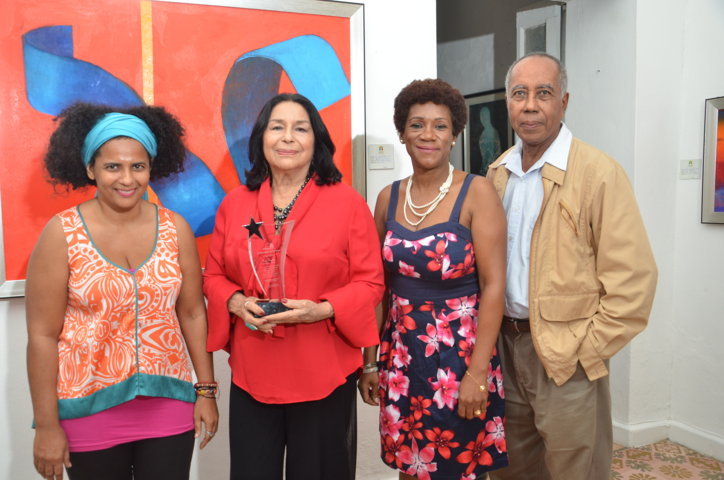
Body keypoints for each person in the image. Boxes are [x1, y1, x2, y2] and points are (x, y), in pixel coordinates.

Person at [486, 53, 658, 480]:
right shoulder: (496, 174)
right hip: (505, 350)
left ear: (564, 101)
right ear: (507, 103)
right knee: (512, 469)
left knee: (575, 470)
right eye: (519, 94)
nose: (530, 105)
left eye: (543, 94)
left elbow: (634, 281)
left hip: (567, 359)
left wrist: (586, 352)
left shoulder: (598, 173)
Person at [26, 103, 219, 480]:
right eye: (113, 166)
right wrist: (47, 425)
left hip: (169, 402)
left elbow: (193, 313)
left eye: (138, 166)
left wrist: (207, 391)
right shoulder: (62, 233)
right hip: (87, 409)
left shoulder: (175, 228)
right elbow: (42, 336)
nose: (126, 178)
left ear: (151, 168)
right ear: (90, 170)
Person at [203, 92, 384, 480]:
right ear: (261, 139)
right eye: (277, 127)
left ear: (316, 140)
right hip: (254, 370)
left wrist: (323, 309)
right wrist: (234, 303)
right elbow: (213, 276)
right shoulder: (235, 203)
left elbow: (371, 282)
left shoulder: (347, 203)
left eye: (300, 128)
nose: (288, 137)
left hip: (324, 368)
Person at [358, 79, 509, 479]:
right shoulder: (388, 198)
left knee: (458, 467)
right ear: (403, 133)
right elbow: (378, 286)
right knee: (412, 465)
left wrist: (477, 373)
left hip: (459, 359)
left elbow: (495, 287)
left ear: (455, 135)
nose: (428, 135)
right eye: (417, 124)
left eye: (440, 126)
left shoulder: (477, 193)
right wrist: (370, 363)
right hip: (402, 356)